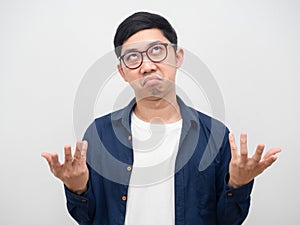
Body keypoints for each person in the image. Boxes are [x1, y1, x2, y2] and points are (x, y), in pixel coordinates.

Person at [41, 11, 281, 225]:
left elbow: (229, 220)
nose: (147, 66)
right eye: (133, 57)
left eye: (157, 50)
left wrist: (238, 184)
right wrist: (77, 188)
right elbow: (86, 218)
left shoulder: (215, 136)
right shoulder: (100, 133)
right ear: (123, 72)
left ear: (178, 57)